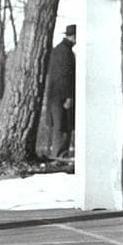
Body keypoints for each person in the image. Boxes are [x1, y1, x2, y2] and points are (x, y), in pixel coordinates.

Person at [44, 23, 76, 159]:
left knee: (59, 126)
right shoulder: (65, 52)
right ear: (74, 37)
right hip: (61, 97)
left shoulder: (59, 50)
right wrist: (69, 97)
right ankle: (60, 157)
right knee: (62, 127)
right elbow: (65, 75)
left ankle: (58, 155)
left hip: (55, 96)